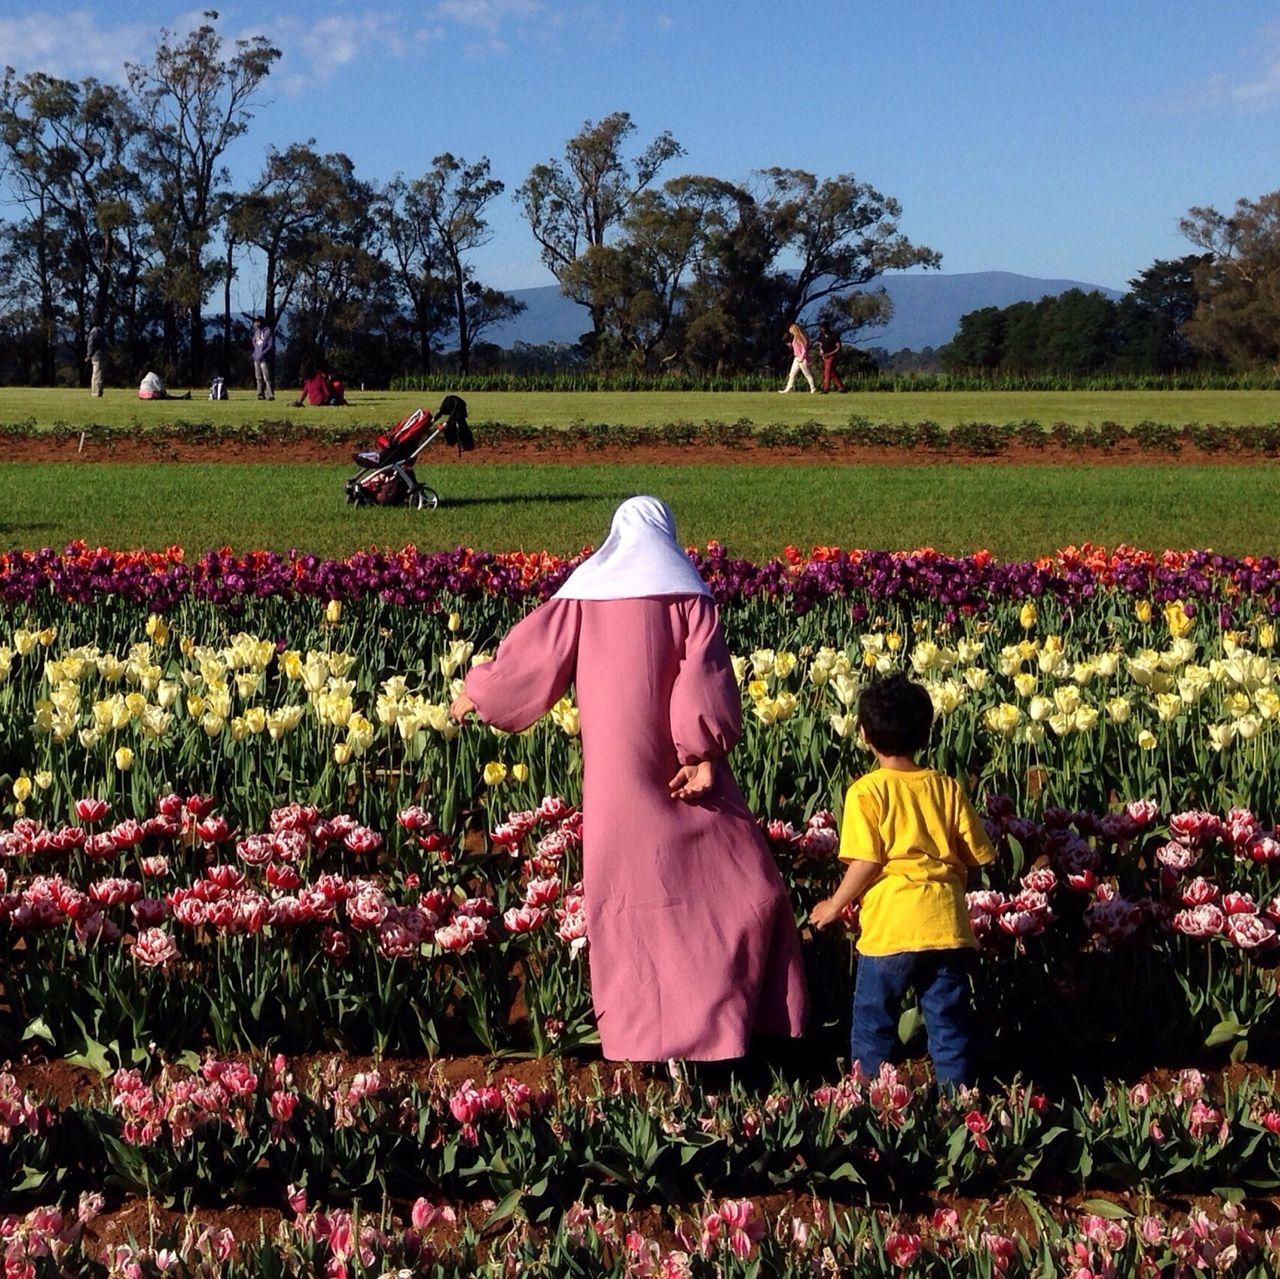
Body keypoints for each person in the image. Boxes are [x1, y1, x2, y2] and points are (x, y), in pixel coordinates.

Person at [449, 496, 809, 1063]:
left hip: (616, 778)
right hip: (676, 769)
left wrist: (479, 691)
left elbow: (534, 662)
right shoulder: (688, 593)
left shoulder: (588, 591)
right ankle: (726, 1026)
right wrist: (701, 753)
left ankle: (644, 1036)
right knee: (738, 887)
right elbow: (703, 681)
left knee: (628, 897)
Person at [809, 675, 995, 1087]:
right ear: (926, 733)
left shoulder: (867, 792)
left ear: (864, 735)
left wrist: (833, 906)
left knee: (875, 1021)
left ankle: (870, 1102)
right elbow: (978, 855)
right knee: (948, 1023)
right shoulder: (946, 788)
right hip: (946, 926)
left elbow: (866, 862)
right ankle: (959, 1104)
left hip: (891, 929)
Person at [779, 323, 817, 393]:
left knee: (807, 374)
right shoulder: (795, 338)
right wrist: (790, 345)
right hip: (796, 358)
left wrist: (801, 358)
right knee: (792, 374)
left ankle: (813, 388)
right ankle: (787, 389)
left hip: (801, 359)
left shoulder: (799, 338)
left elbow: (804, 349)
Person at [250, 316, 275, 400]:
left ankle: (270, 395)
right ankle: (260, 394)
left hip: (264, 358)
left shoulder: (267, 331)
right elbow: (253, 340)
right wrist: (256, 349)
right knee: (258, 377)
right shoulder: (256, 332)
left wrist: (263, 353)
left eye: (258, 321)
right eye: (256, 321)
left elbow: (270, 345)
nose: (257, 323)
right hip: (256, 357)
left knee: (266, 377)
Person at [818, 323, 847, 394]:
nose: (822, 329)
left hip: (832, 356)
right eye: (821, 328)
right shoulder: (821, 335)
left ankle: (826, 388)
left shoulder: (834, 335)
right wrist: (820, 351)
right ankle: (841, 387)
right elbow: (820, 344)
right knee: (831, 372)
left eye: (823, 328)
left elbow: (838, 347)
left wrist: (830, 353)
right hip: (824, 356)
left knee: (827, 371)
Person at [86, 324, 107, 397]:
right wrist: (89, 355)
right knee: (98, 375)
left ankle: (97, 392)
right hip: (98, 356)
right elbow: (91, 344)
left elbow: (91, 344)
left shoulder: (95, 331)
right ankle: (96, 392)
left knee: (98, 375)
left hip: (98, 356)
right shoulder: (98, 331)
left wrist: (89, 355)